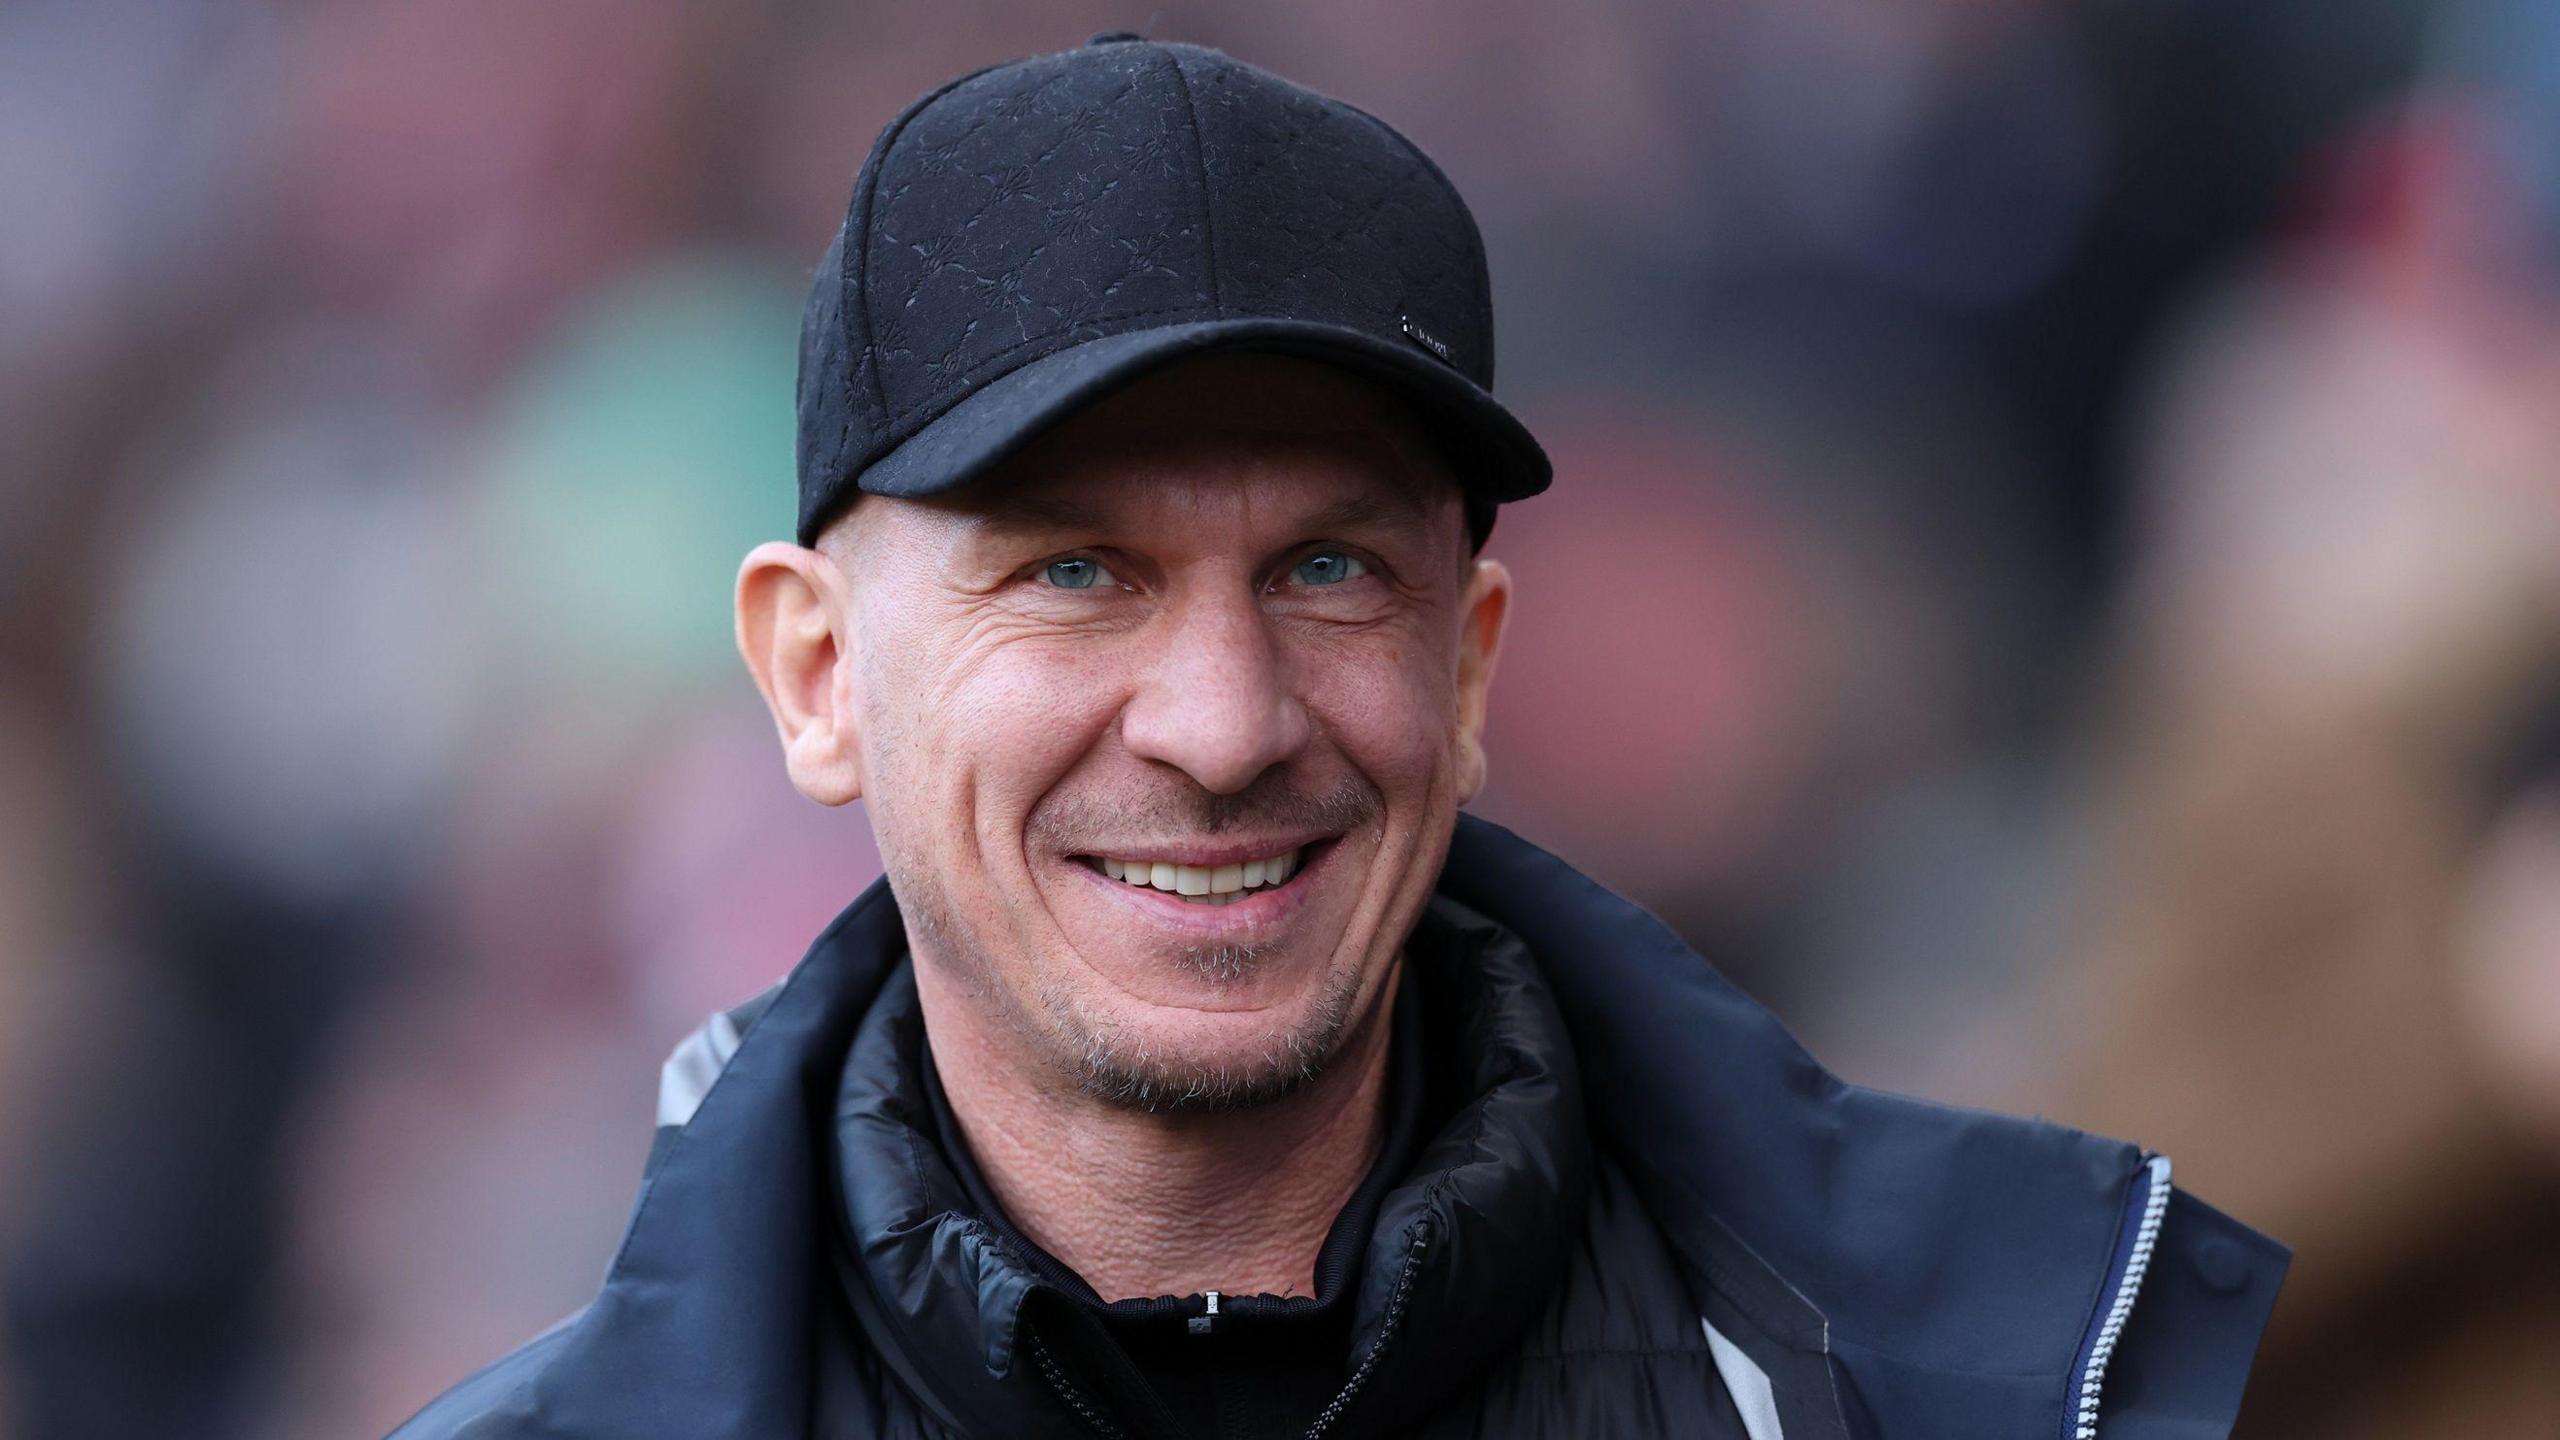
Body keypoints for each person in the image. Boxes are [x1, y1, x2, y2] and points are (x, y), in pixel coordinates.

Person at [394, 34, 2287, 1439]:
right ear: (816, 676)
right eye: (1073, 572)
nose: (1223, 725)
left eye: (1324, 569)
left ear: (1468, 672)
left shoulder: (2019, 1384)